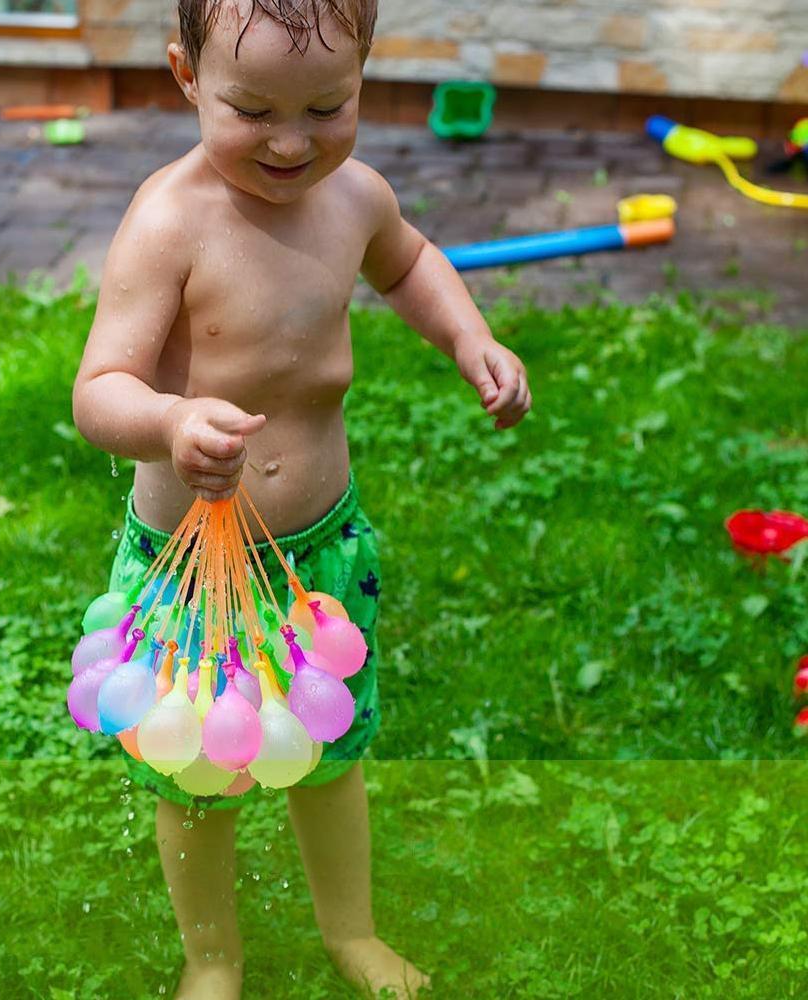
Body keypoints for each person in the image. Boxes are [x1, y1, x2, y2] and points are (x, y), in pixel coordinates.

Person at [71, 2, 532, 996]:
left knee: (329, 756)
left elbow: (410, 263)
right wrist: (169, 423)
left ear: (364, 71)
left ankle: (350, 932)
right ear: (186, 75)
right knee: (198, 777)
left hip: (320, 556)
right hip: (192, 569)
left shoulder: (354, 198)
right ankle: (213, 958)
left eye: (327, 107)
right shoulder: (169, 220)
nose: (291, 143)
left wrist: (470, 336)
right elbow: (99, 389)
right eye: (253, 110)